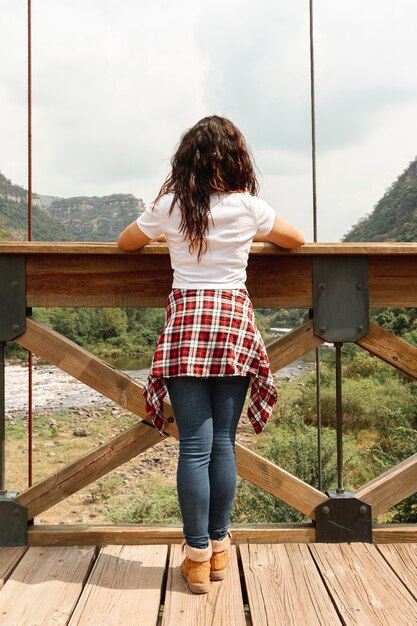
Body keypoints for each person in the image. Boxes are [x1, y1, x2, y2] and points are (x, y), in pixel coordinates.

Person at [118, 115, 304, 594]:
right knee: (223, 443)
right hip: (233, 326)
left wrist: (165, 234)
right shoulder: (249, 207)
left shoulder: (171, 205)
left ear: (188, 159)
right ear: (237, 157)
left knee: (194, 446)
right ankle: (220, 550)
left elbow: (125, 243)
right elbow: (296, 240)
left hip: (187, 328)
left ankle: (196, 556)